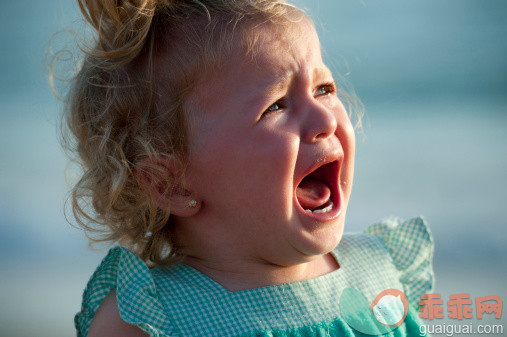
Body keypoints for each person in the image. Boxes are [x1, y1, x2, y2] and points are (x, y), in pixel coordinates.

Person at [61, 0, 434, 336]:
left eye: (324, 88)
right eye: (276, 106)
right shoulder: (153, 321)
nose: (324, 118)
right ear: (172, 185)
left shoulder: (380, 274)